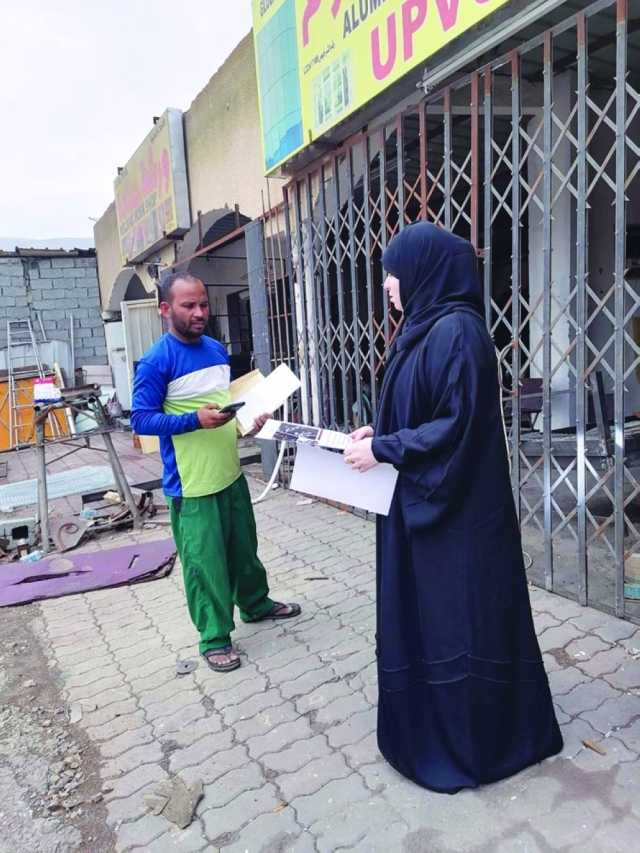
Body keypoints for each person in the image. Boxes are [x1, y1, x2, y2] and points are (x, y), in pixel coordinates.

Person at [344, 223, 562, 792]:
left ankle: (473, 744)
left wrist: (386, 449)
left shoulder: (459, 333)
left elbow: (457, 425)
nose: (388, 285)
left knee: (460, 621)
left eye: (394, 272)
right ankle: (427, 727)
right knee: (428, 619)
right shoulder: (422, 329)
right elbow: (422, 407)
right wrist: (379, 431)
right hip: (421, 504)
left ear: (425, 271)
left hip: (459, 516)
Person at [131, 272, 301, 673]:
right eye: (188, 306)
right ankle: (214, 638)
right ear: (165, 309)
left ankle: (256, 605)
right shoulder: (158, 360)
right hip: (192, 486)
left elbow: (223, 406)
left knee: (244, 550)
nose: (200, 313)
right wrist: (193, 421)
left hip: (229, 474)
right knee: (205, 564)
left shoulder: (215, 350)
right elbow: (140, 420)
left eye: (203, 304)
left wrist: (248, 424)